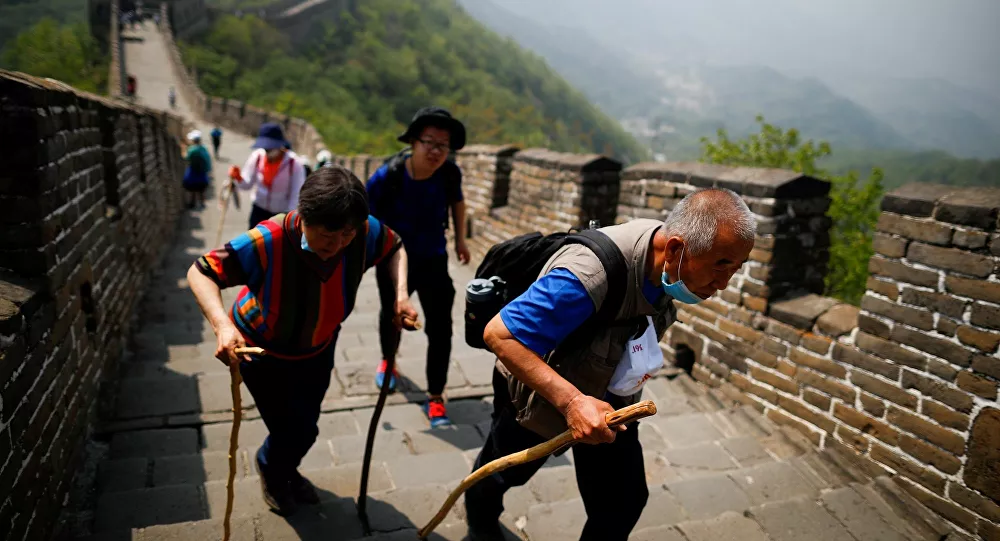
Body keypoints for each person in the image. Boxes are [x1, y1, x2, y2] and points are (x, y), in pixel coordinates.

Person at [464, 189, 757, 541]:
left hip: (610, 401)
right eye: (720, 264)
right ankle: (479, 524)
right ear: (677, 249)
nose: (724, 283)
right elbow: (500, 335)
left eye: (736, 268)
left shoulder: (666, 260)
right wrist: (572, 402)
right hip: (536, 393)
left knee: (623, 501)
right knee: (502, 473)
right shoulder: (588, 276)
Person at [188, 166, 419, 516]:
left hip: (318, 348)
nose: (338, 245)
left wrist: (401, 295)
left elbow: (395, 246)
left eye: (346, 236)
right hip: (261, 352)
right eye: (328, 236)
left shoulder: (361, 232)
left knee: (306, 425)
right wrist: (222, 326)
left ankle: (284, 470)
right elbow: (202, 272)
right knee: (289, 429)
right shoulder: (267, 240)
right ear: (303, 216)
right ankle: (273, 469)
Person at [365, 106, 470, 428]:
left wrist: (461, 240)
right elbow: (365, 217)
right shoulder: (389, 175)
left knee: (441, 329)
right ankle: (388, 361)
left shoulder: (450, 173)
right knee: (391, 316)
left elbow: (458, 202)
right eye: (430, 142)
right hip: (393, 260)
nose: (437, 151)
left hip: (433, 259)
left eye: (444, 145)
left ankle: (436, 395)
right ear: (413, 141)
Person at [230, 122, 307, 229]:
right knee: (254, 244)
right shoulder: (257, 157)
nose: (267, 152)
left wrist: (288, 219)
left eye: (270, 149)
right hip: (258, 211)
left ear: (280, 145)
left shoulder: (294, 164)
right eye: (265, 149)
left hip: (280, 215)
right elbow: (247, 184)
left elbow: (296, 195)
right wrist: (238, 177)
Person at [182, 130, 212, 209]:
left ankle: (192, 204)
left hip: (193, 172)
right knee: (201, 190)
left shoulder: (192, 150)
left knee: (192, 190)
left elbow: (186, 157)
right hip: (202, 173)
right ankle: (202, 203)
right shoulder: (203, 148)